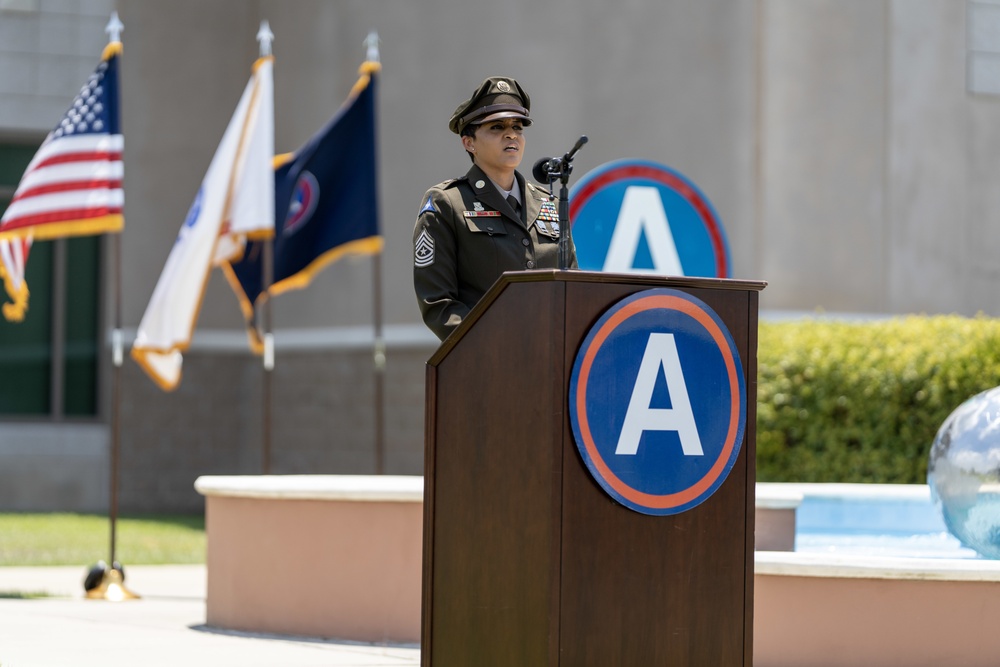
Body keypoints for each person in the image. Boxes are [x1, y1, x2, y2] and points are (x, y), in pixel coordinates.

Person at [412, 76, 577, 341]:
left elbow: (573, 289)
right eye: (497, 127)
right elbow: (439, 304)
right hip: (487, 363)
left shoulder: (550, 203)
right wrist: (496, 344)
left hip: (552, 358)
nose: (511, 134)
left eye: (518, 127)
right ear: (469, 143)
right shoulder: (447, 204)